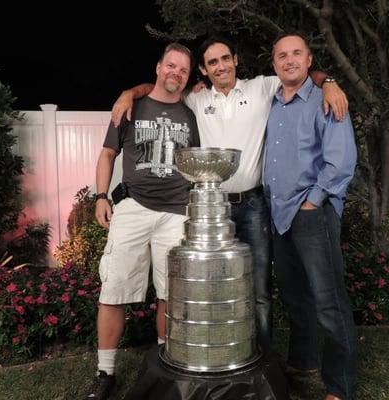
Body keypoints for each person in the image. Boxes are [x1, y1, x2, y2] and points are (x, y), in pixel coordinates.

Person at [110, 36, 348, 350]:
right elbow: (161, 86)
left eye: (225, 58)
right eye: (212, 62)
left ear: (235, 60)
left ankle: (260, 357)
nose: (220, 66)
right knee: (213, 286)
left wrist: (329, 82)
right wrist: (129, 93)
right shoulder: (194, 99)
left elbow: (300, 74)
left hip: (253, 206)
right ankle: (223, 351)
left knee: (259, 289)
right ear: (204, 72)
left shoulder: (262, 88)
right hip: (211, 207)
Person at [86, 43, 200, 400]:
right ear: (157, 67)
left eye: (183, 70)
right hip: (133, 207)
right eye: (171, 66)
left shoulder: (189, 117)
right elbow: (107, 154)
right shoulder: (131, 106)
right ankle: (105, 373)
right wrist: (101, 196)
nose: (176, 73)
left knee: (172, 294)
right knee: (113, 290)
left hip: (175, 212)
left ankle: (166, 363)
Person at [264, 33, 357, 400]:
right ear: (274, 65)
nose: (289, 60)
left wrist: (313, 202)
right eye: (282, 56)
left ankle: (341, 385)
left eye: (296, 54)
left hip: (311, 213)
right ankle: (303, 362)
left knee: (329, 301)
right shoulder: (270, 103)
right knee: (294, 297)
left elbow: (341, 161)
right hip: (279, 215)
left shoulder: (325, 100)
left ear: (309, 60)